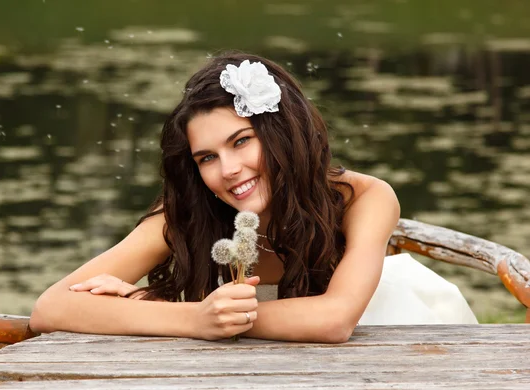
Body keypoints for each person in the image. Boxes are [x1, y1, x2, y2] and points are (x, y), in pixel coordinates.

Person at [29, 51, 477, 343]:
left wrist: (174, 312)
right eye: (206, 157)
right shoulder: (189, 212)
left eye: (241, 141)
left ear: (281, 133)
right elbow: (51, 307)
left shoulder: (363, 198)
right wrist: (192, 318)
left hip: (392, 341)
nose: (227, 171)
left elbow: (335, 319)